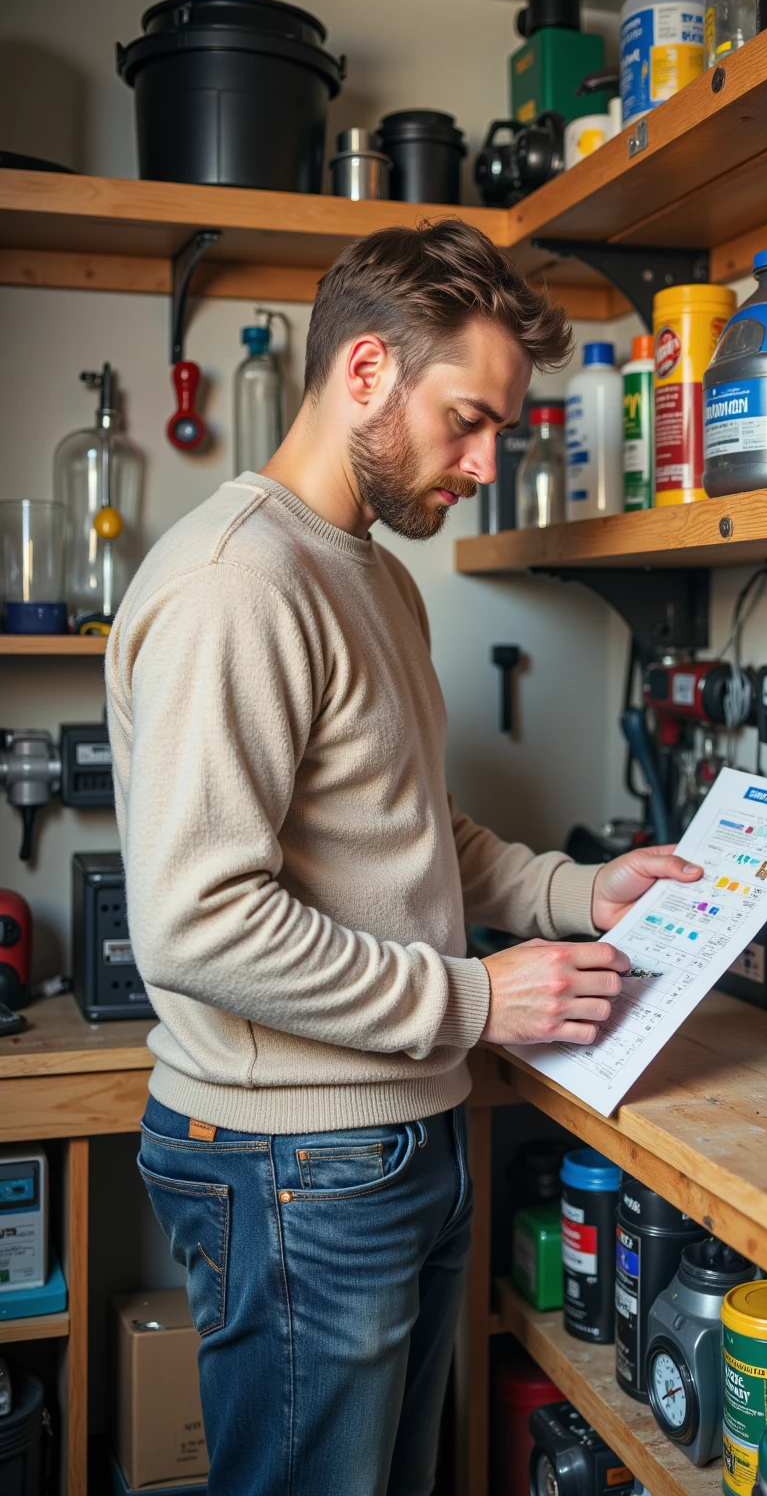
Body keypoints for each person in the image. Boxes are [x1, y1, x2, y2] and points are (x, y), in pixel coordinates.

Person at [106, 219, 702, 1496]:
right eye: (469, 420)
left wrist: (577, 890)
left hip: (396, 1136)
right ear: (365, 371)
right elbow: (198, 922)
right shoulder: (236, 582)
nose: (485, 463)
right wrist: (481, 1000)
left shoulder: (372, 575)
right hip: (294, 1160)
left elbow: (409, 825)